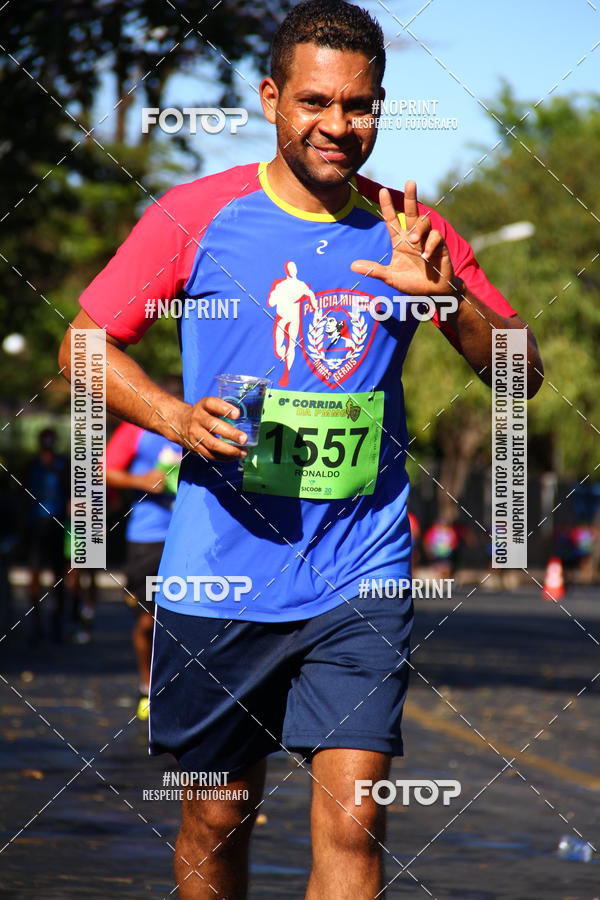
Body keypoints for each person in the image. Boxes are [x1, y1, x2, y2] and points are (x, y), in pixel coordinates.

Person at [59, 1, 543, 895]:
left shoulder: (410, 227)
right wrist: (174, 417)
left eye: (359, 106)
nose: (337, 126)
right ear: (271, 97)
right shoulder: (197, 215)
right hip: (221, 571)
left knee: (355, 823)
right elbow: (82, 344)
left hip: (360, 568)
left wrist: (441, 300)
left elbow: (519, 375)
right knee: (215, 815)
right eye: (315, 102)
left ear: (381, 106)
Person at [105, 420, 182, 720]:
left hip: (191, 535)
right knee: (149, 621)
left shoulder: (209, 421)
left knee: (189, 618)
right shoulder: (136, 427)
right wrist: (140, 481)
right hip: (149, 538)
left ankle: (182, 688)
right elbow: (103, 471)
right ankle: (146, 687)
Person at [24, 427, 69, 643]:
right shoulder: (31, 465)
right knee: (34, 574)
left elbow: (71, 490)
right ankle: (36, 621)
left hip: (57, 523)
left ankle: (57, 623)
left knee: (58, 575)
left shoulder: (63, 464)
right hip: (36, 525)